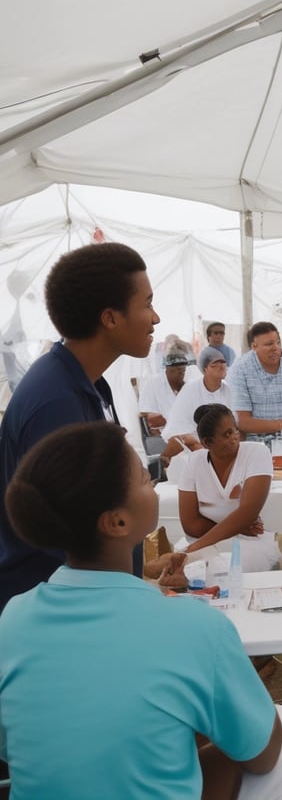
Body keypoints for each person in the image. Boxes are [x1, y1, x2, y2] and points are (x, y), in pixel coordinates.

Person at [0, 422, 282, 799]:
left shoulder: (13, 620)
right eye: (146, 479)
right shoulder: (195, 626)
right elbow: (262, 753)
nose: (154, 484)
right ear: (117, 522)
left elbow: (16, 746)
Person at [0, 242, 160, 613]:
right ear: (110, 318)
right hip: (59, 610)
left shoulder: (85, 383)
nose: (156, 318)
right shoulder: (55, 404)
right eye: (147, 304)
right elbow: (70, 531)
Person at [175, 405, 281, 572]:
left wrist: (190, 551)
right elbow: (190, 525)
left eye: (235, 430)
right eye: (227, 434)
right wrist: (237, 527)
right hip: (204, 541)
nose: (234, 437)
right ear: (207, 442)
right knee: (187, 572)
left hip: (251, 542)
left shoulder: (257, 452)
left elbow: (247, 513)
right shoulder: (194, 462)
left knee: (226, 569)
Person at [160, 346, 232, 463]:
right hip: (188, 438)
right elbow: (181, 429)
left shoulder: (230, 390)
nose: (221, 367)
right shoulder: (190, 389)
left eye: (223, 363)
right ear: (205, 369)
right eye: (214, 365)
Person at [138, 348, 189, 434]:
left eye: (183, 370)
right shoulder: (153, 383)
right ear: (168, 369)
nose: (182, 374)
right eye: (178, 370)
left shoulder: (186, 385)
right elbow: (145, 414)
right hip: (164, 433)